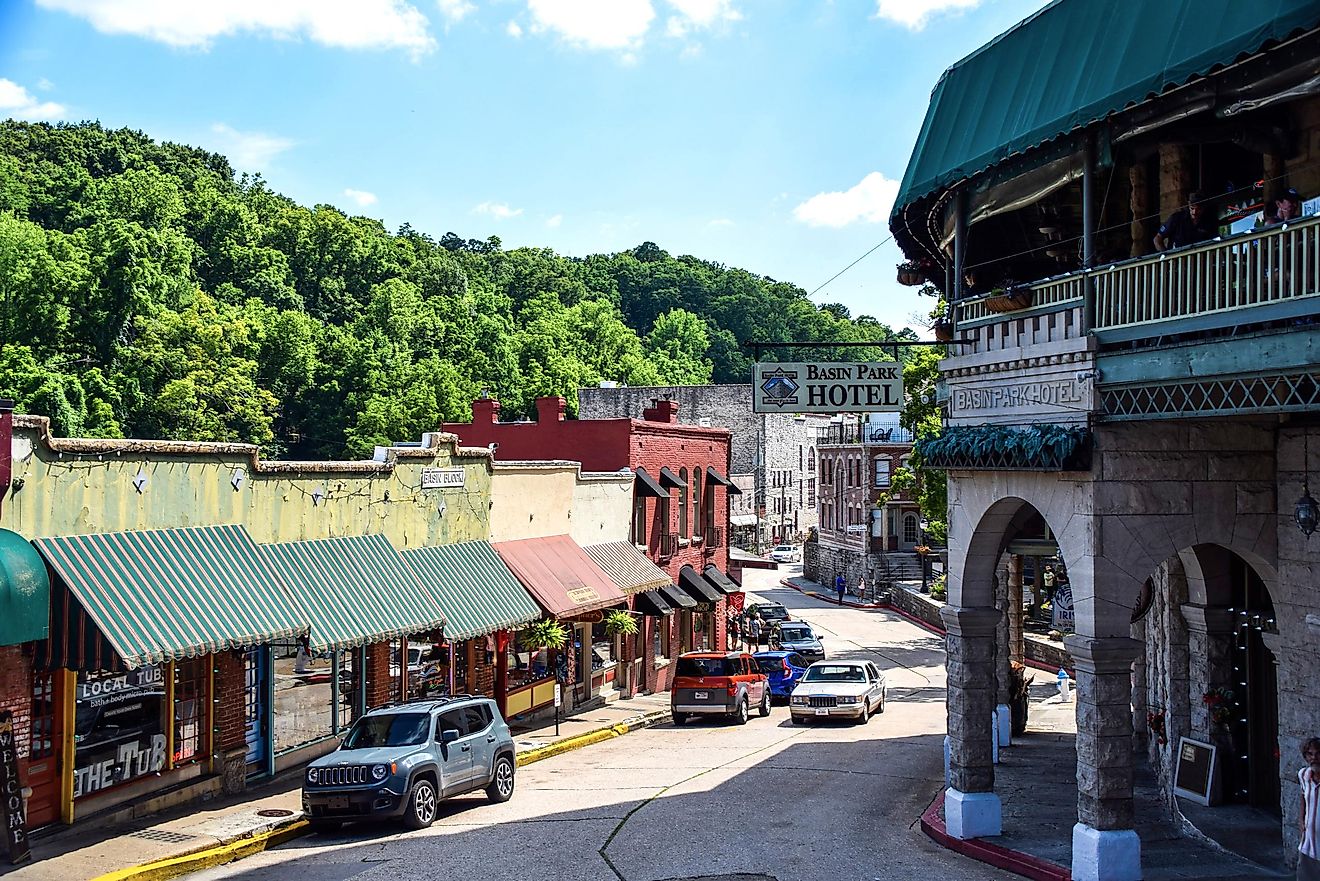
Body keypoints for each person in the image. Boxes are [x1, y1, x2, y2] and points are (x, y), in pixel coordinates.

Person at [1299, 736, 1320, 881]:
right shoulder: (1303, 775)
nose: (1314, 758)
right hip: (1307, 847)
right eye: (1310, 754)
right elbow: (1303, 796)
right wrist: (1301, 819)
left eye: (1318, 754)